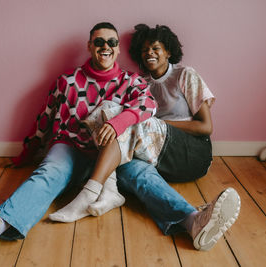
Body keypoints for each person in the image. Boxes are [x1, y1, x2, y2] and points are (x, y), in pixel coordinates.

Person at [0, 22, 156, 257]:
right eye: (99, 42)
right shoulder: (67, 81)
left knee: (146, 177)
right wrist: (25, 155)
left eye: (112, 42)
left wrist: (119, 122)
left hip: (111, 155)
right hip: (70, 147)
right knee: (49, 172)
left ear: (118, 49)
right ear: (89, 46)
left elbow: (149, 104)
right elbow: (44, 120)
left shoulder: (131, 81)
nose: (106, 47)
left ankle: (191, 220)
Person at [55, 24, 241, 251]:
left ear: (169, 51)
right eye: (144, 50)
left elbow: (206, 127)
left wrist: (152, 122)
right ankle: (192, 221)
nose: (149, 53)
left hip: (192, 153)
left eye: (155, 48)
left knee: (121, 115)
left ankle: (90, 192)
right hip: (156, 153)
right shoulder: (140, 82)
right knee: (130, 167)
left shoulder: (185, 74)